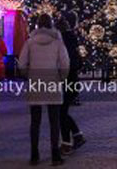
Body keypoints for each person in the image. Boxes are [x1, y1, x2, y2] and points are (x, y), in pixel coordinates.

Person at [19, 14, 69, 166]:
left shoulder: (30, 42)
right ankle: (55, 155)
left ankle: (34, 155)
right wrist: (61, 78)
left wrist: (29, 75)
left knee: (35, 121)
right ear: (51, 25)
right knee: (54, 121)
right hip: (52, 81)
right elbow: (65, 63)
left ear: (37, 25)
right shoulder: (57, 42)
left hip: (36, 82)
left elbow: (21, 63)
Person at [58, 12, 85, 155]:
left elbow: (66, 63)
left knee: (61, 112)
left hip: (65, 80)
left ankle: (69, 141)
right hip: (71, 80)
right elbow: (78, 63)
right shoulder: (72, 39)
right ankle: (75, 136)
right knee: (62, 112)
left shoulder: (62, 41)